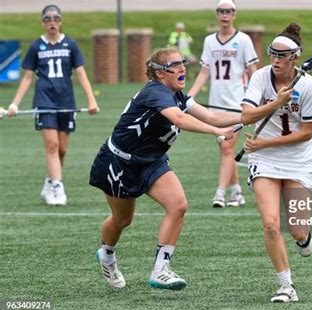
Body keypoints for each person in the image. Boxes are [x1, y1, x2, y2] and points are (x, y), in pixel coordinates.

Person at [90, 47, 240, 290]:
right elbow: (181, 120)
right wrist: (217, 132)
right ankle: (107, 254)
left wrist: (251, 114)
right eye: (175, 65)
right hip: (120, 162)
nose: (182, 68)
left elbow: (212, 117)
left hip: (151, 161)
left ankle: (161, 271)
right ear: (160, 74)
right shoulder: (155, 92)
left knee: (178, 205)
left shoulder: (178, 95)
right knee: (122, 219)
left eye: (183, 63)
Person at [240, 23, 312, 303]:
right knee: (270, 223)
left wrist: (264, 142)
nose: (275, 61)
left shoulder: (309, 86)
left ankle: (303, 238)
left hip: (299, 158)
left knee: (297, 229)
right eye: (272, 54)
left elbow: (306, 133)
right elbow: (248, 117)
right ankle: (286, 285)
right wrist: (275, 102)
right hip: (264, 160)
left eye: (282, 56)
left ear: (295, 58)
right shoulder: (260, 78)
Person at [7, 4, 99, 206]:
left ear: (61, 21)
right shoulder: (36, 46)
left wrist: (91, 100)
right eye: (48, 19)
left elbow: (81, 73)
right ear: (42, 23)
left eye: (56, 18)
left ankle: (49, 182)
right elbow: (27, 78)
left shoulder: (70, 45)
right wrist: (14, 104)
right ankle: (57, 187)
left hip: (66, 101)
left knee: (62, 149)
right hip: (44, 100)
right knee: (52, 145)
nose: (52, 22)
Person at [188, 0, 259, 208]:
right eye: (221, 11)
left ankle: (219, 193)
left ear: (234, 15)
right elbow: (204, 72)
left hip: (237, 103)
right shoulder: (210, 41)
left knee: (227, 147)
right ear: (216, 15)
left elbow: (253, 71)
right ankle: (237, 192)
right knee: (225, 149)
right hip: (214, 106)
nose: (225, 15)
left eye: (229, 11)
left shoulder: (244, 40)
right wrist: (188, 96)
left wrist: (257, 97)